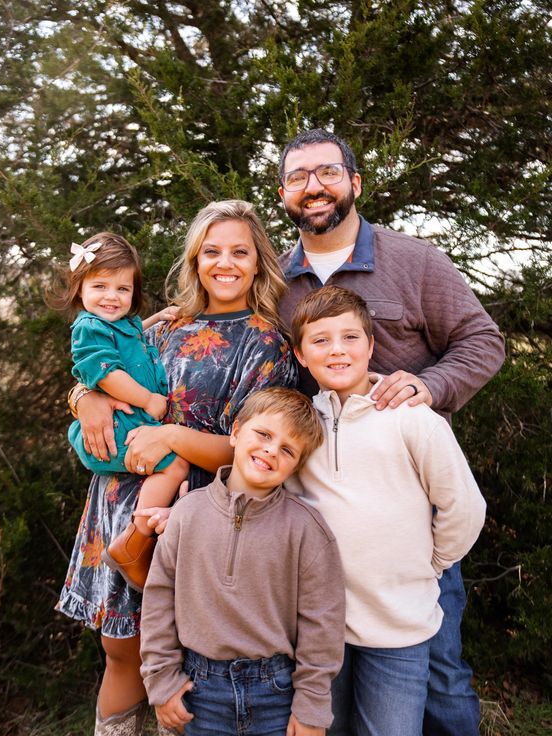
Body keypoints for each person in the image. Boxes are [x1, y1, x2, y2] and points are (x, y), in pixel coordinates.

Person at [277, 128, 505, 736]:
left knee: (437, 675)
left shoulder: (414, 261)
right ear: (283, 194)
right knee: (335, 682)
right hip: (318, 527)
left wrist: (430, 386)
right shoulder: (274, 280)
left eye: (326, 172)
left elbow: (483, 342)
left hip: (411, 512)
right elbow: (217, 321)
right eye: (298, 177)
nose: (313, 187)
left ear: (354, 184)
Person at [57, 200, 297, 736]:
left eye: (240, 251)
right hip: (120, 502)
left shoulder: (267, 344)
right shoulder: (164, 327)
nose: (225, 263)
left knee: (182, 661)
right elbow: (103, 373)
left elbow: (252, 454)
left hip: (199, 513)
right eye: (211, 251)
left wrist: (173, 436)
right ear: (194, 259)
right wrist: (83, 398)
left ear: (259, 260)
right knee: (121, 652)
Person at [286, 285, 486, 736]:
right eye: (320, 341)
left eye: (350, 338)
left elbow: (464, 507)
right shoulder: (299, 424)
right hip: (323, 630)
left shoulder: (411, 418)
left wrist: (432, 562)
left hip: (398, 628)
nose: (337, 350)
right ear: (300, 354)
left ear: (371, 346)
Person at [140, 387, 346, 736]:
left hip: (277, 693)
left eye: (287, 449)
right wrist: (161, 679)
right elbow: (159, 599)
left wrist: (312, 706)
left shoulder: (306, 529)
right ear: (235, 432)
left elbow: (321, 623)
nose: (270, 450)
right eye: (263, 434)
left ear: (296, 464)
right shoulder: (187, 514)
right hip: (199, 691)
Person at [48, 232, 189, 592]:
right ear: (80, 289)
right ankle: (134, 541)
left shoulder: (117, 325)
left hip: (129, 426)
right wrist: (147, 400)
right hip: (116, 429)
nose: (112, 297)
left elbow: (130, 341)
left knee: (181, 478)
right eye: (100, 287)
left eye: (123, 289)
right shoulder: (87, 328)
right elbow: (107, 373)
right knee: (176, 465)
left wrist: (155, 319)